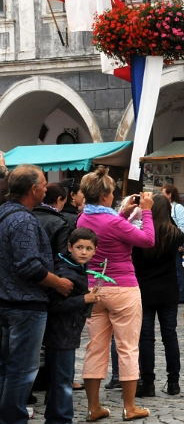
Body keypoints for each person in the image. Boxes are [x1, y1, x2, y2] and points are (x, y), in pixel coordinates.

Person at [78, 167, 154, 422]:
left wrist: (125, 212)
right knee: (127, 347)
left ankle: (93, 407)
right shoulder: (112, 221)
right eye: (111, 194)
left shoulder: (83, 218)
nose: (112, 197)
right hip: (122, 287)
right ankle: (130, 407)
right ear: (104, 197)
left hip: (94, 288)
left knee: (95, 348)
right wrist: (146, 210)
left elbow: (112, 225)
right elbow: (147, 239)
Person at [0, 165, 74, 424]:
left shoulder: (5, 213)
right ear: (32, 189)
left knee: (8, 369)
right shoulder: (23, 220)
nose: (46, 188)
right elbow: (29, 265)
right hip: (24, 305)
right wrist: (59, 284)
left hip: (9, 302)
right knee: (22, 370)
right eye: (43, 184)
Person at [43, 228, 100, 424]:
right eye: (79, 247)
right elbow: (56, 305)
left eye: (88, 248)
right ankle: (61, 419)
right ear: (70, 247)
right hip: (62, 333)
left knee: (59, 380)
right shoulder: (66, 271)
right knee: (63, 381)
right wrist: (84, 299)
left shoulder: (76, 268)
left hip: (67, 332)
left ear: (95, 250)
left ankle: (54, 418)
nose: (83, 252)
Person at [132, 194, 183, 397]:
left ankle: (148, 382)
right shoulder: (176, 234)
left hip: (145, 290)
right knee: (170, 336)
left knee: (146, 338)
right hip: (169, 290)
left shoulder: (141, 236)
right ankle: (173, 382)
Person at [161, 184, 184, 304]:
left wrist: (179, 242)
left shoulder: (178, 208)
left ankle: (180, 295)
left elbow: (182, 226)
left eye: (163, 193)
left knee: (177, 269)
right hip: (165, 243)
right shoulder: (163, 207)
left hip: (175, 242)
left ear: (169, 195)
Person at [34, 183, 72, 258]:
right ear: (58, 199)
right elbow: (61, 255)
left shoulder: (28, 215)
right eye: (63, 202)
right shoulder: (61, 223)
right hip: (50, 267)